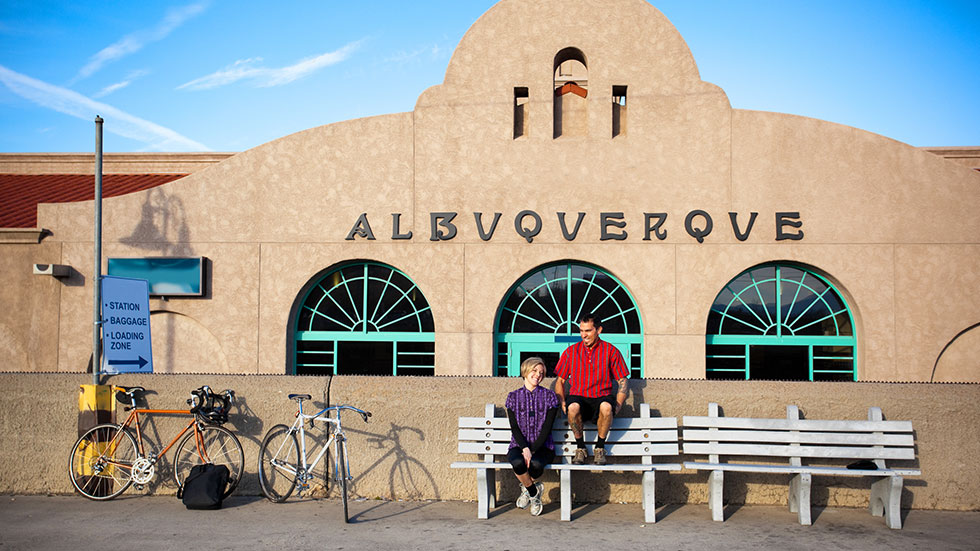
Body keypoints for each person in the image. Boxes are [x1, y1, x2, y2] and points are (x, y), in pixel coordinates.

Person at [555, 313, 629, 465]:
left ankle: (600, 448)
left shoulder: (611, 351)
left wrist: (620, 403)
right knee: (573, 407)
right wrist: (562, 401)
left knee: (607, 407)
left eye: (588, 330)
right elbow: (560, 380)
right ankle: (580, 448)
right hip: (578, 396)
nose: (584, 334)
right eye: (581, 331)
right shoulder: (571, 352)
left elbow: (622, 380)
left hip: (602, 396)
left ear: (598, 330)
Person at [505, 356, 560, 516]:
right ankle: (534, 493)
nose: (538, 375)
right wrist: (525, 448)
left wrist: (533, 449)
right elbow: (514, 427)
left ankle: (526, 489)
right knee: (517, 462)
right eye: (534, 370)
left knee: (535, 465)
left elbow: (547, 427)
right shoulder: (513, 397)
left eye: (541, 372)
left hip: (544, 446)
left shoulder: (550, 397)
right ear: (526, 371)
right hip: (518, 444)